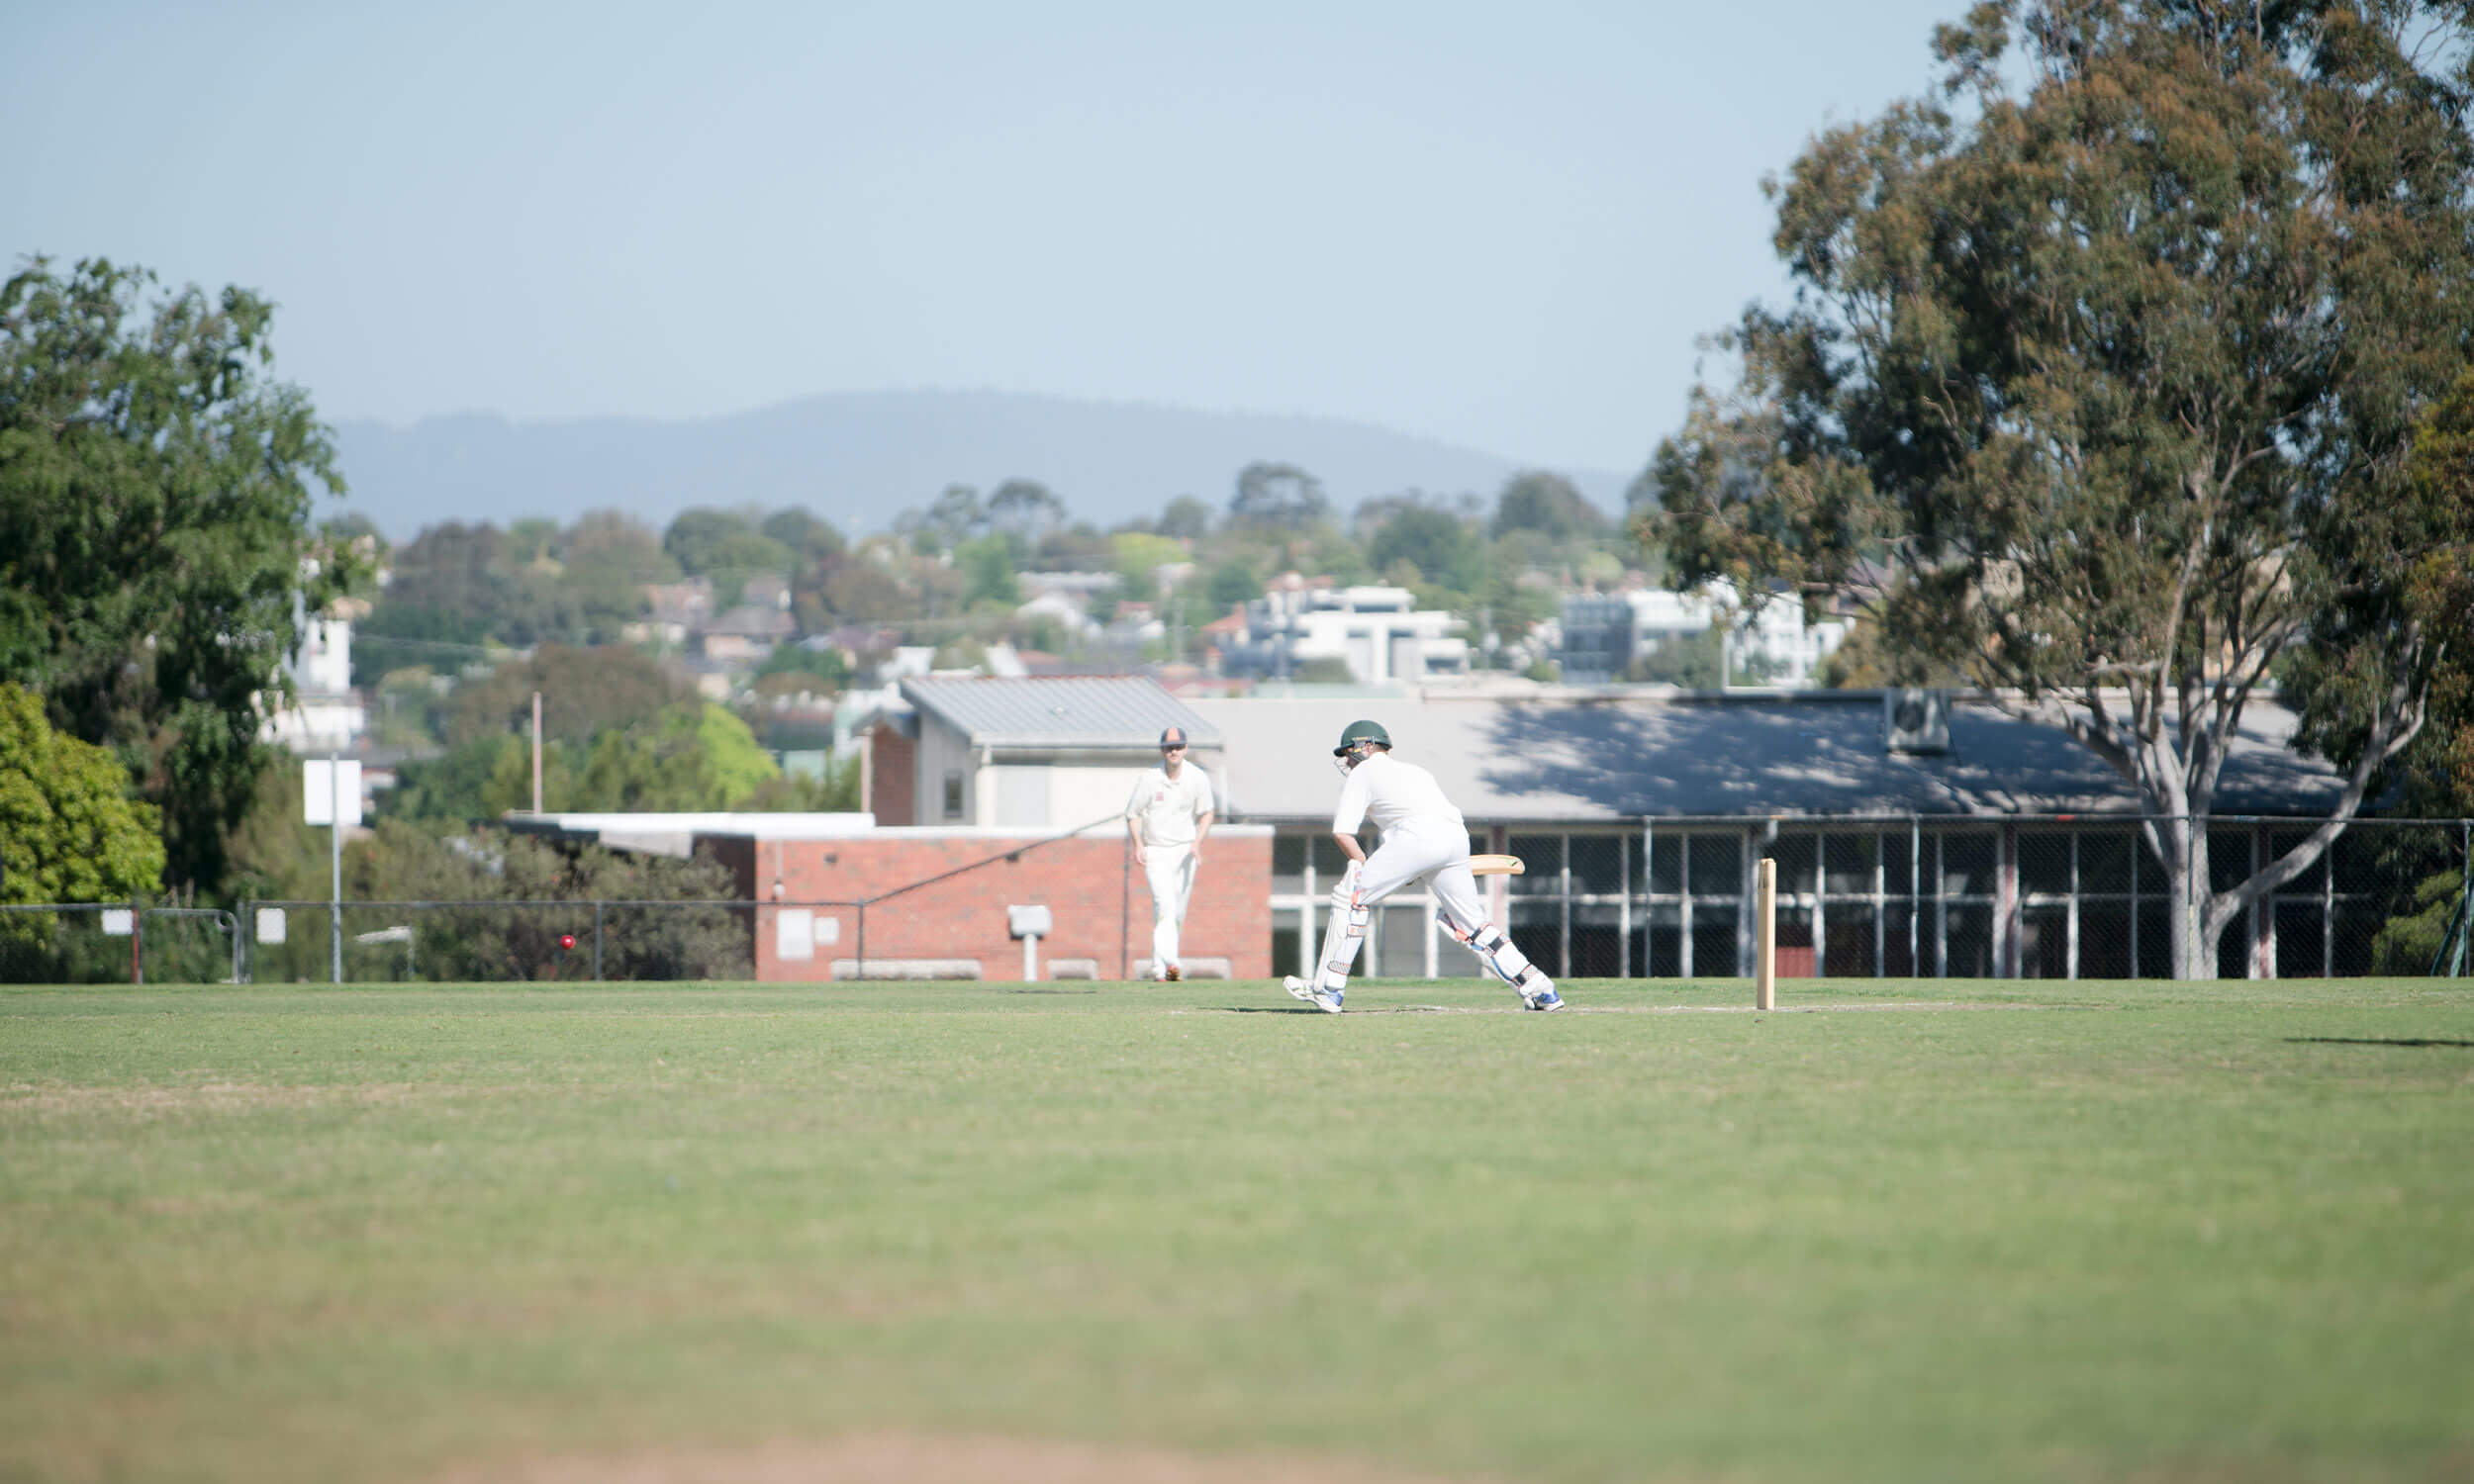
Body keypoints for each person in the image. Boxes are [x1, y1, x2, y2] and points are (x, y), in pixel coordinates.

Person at [1284, 718, 1564, 1014]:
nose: (1348, 763)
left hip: (1416, 839)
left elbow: (1343, 833)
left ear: (1365, 747)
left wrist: (1371, 869)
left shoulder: (1364, 771)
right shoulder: (1417, 771)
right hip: (1455, 837)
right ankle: (1541, 990)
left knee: (1351, 895)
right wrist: (1398, 869)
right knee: (1474, 927)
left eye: (1349, 754)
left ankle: (1328, 988)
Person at [1126, 725, 1215, 981]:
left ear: (1185, 748)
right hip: (1156, 850)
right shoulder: (1150, 778)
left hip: (1185, 851)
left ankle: (1158, 968)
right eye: (1168, 748)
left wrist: (1197, 843)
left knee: (1176, 911)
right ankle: (1171, 961)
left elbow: (1207, 812)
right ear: (1162, 750)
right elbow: (1132, 814)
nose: (1173, 751)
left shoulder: (1197, 777)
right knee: (1164, 904)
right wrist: (1139, 846)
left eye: (1178, 747)